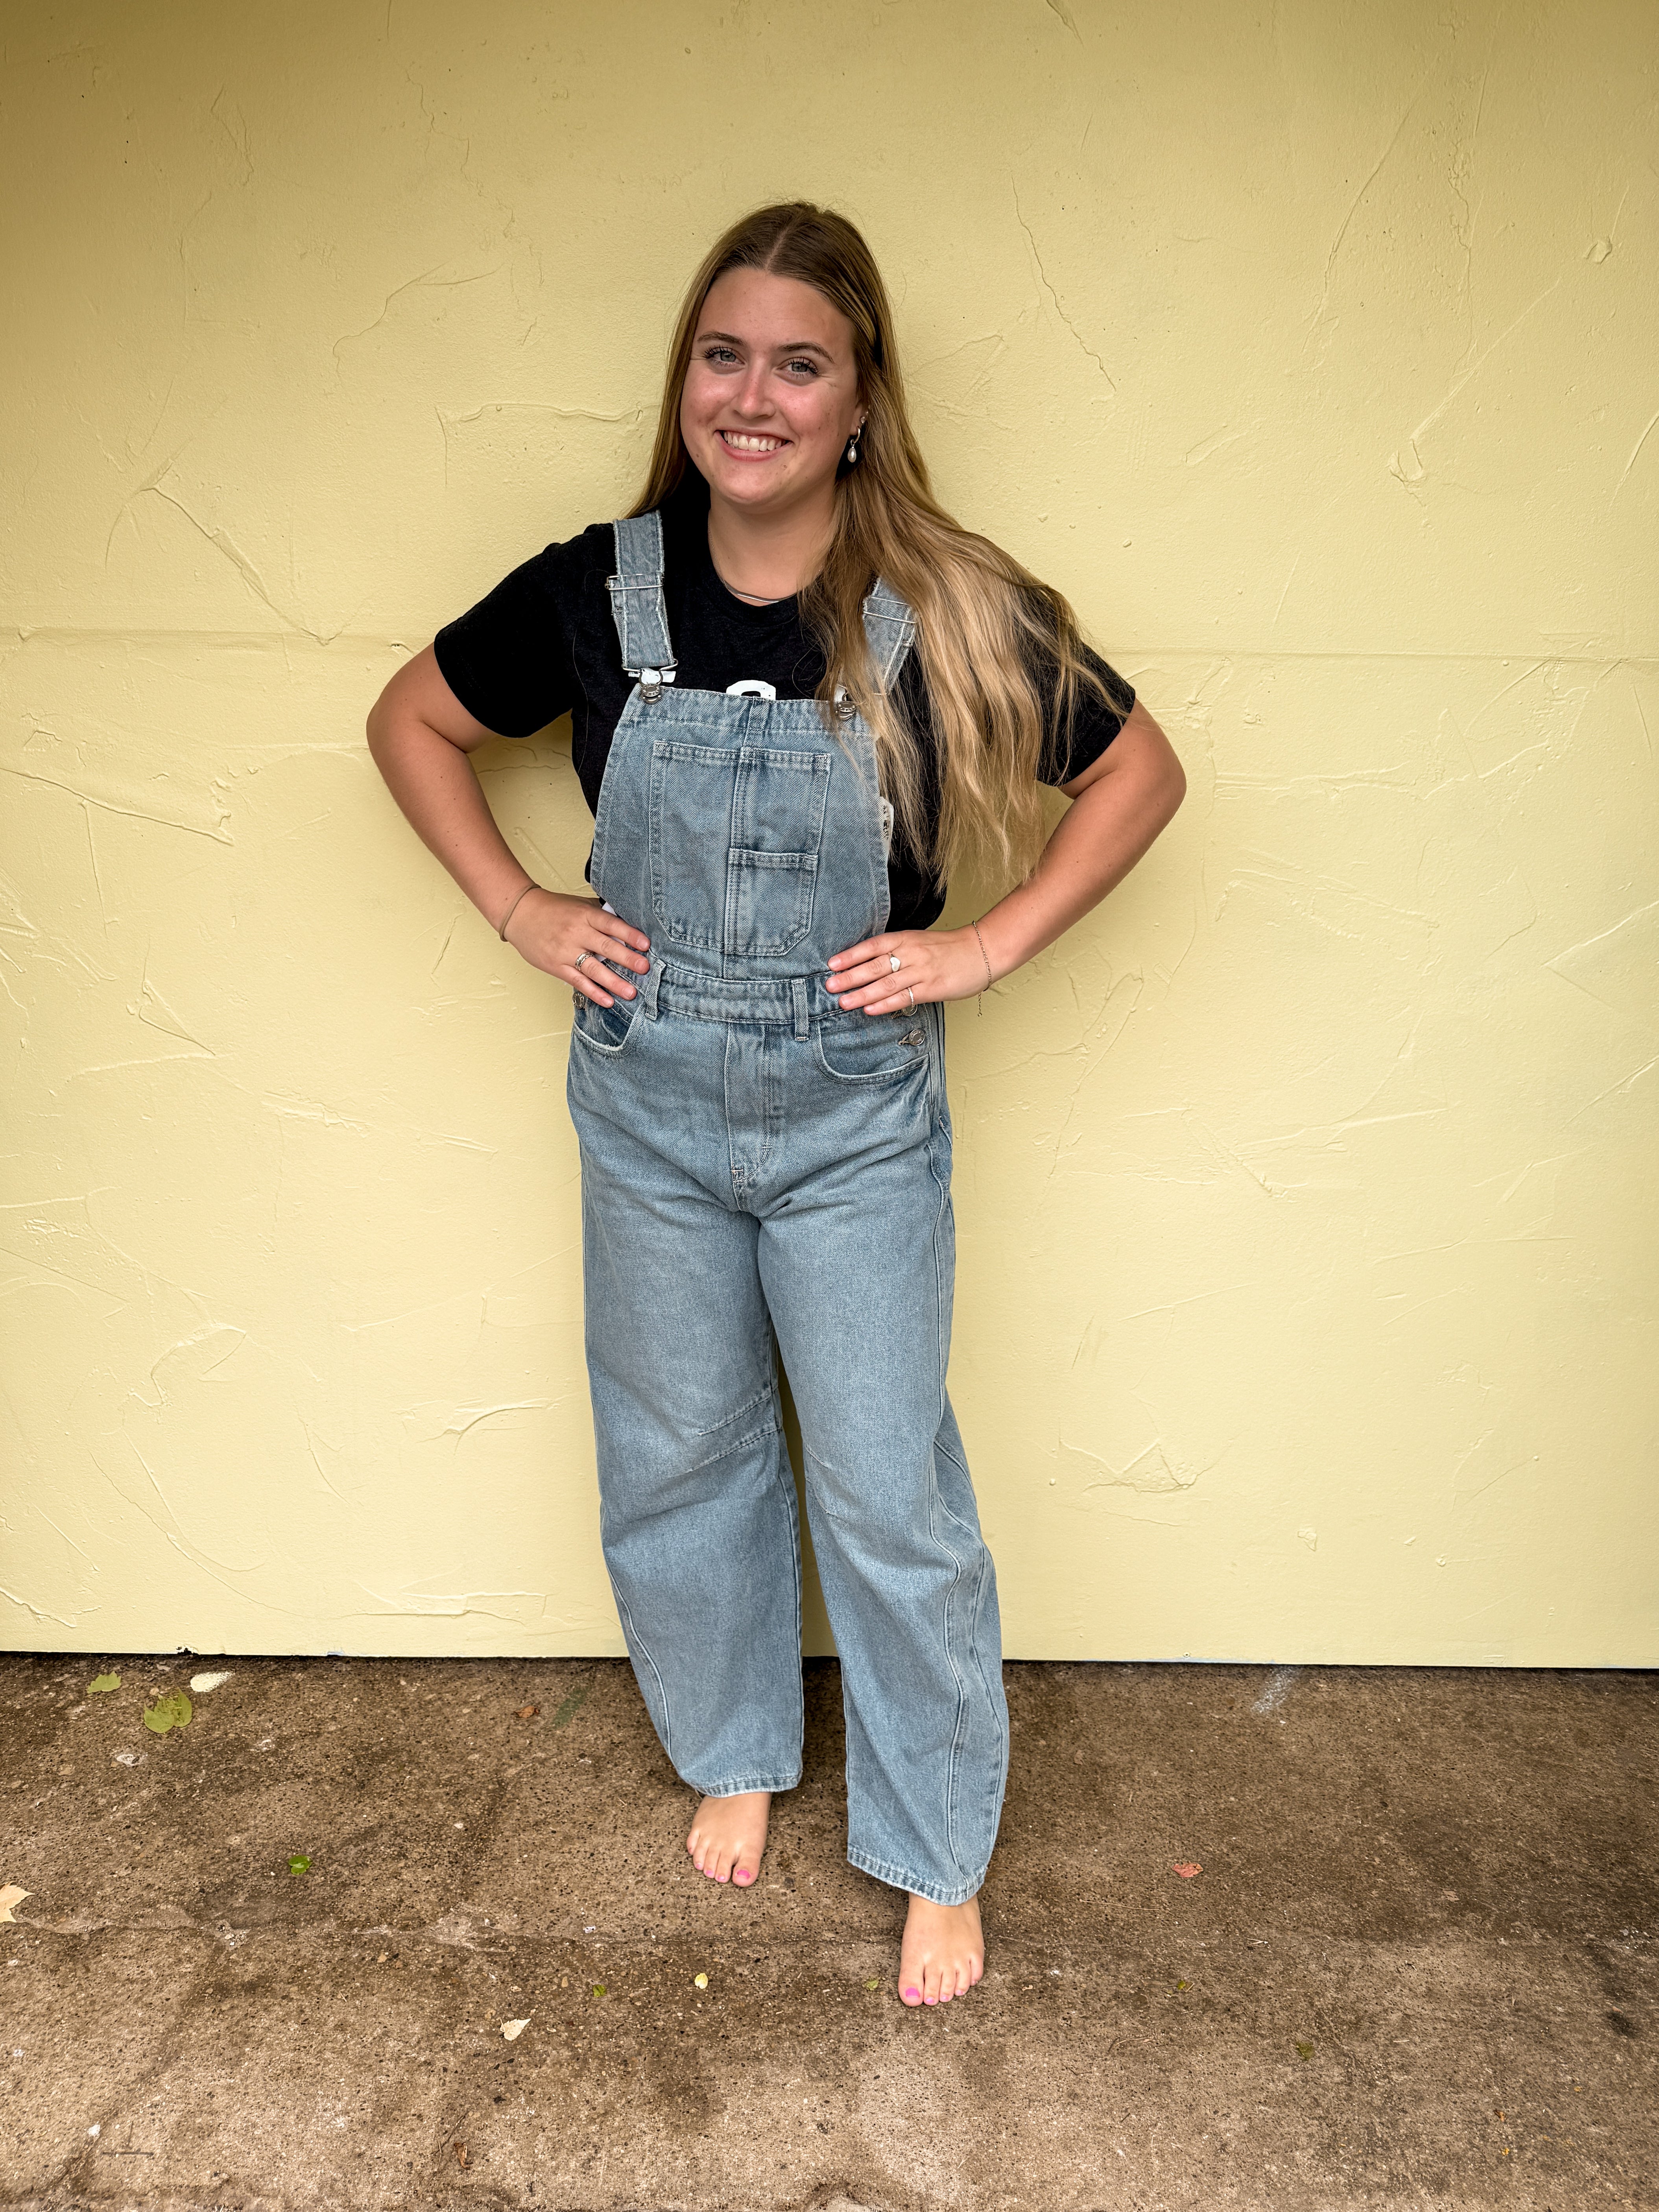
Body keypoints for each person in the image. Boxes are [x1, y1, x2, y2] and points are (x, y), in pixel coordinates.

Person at [367, 201, 1186, 2010]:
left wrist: (987, 946)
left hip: (851, 1115)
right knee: (679, 1445)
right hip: (646, 1101)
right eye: (722, 354)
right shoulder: (597, 587)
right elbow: (409, 721)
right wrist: (521, 904)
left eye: (797, 362)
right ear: (688, 379)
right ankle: (737, 1735)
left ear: (859, 398)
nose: (754, 395)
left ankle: (932, 1845)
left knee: (886, 1485)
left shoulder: (943, 607)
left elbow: (1135, 767)